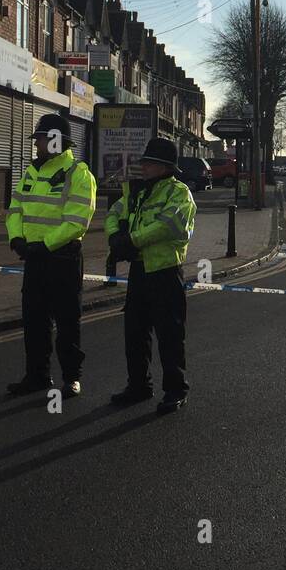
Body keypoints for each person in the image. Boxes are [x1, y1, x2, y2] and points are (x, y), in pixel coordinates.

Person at [5, 113, 97, 399]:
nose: (37, 145)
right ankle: (37, 376)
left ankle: (71, 378)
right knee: (34, 322)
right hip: (35, 259)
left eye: (41, 140)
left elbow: (76, 222)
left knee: (68, 323)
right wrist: (16, 238)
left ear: (57, 141)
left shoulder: (78, 173)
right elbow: (15, 208)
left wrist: (44, 245)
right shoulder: (32, 171)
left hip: (63, 260)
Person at [105, 137, 196, 415]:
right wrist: (114, 237)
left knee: (169, 335)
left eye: (149, 162)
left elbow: (169, 226)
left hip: (165, 272)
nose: (143, 166)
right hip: (140, 271)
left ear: (164, 166)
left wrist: (131, 241)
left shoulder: (178, 193)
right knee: (135, 331)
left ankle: (175, 389)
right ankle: (139, 385)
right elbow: (113, 212)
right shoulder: (138, 192)